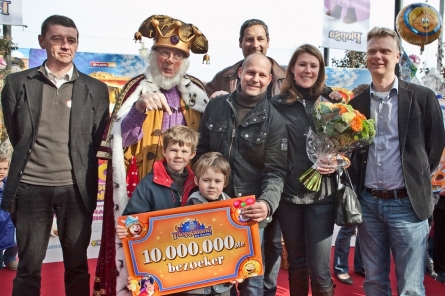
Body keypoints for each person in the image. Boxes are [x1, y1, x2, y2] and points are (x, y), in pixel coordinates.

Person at [95, 15, 209, 295]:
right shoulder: (136, 90)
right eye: (165, 52)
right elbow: (120, 143)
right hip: (145, 194)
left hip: (187, 193)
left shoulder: (197, 93)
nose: (170, 60)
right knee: (146, 265)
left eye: (178, 55)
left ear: (185, 60)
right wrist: (139, 110)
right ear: (153, 54)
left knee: (186, 262)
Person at [1, 15, 109, 296]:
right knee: (28, 268)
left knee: (77, 266)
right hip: (31, 188)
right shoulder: (17, 83)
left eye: (71, 40)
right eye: (57, 38)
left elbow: (96, 138)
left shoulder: (96, 89)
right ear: (42, 41)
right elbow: (18, 135)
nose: (65, 46)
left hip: (76, 190)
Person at [349, 27, 445, 296]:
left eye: (384, 51)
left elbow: (434, 146)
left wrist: (416, 178)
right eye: (372, 51)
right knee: (374, 282)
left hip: (407, 205)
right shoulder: (355, 105)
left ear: (397, 55)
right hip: (368, 205)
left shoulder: (422, 97)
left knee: (411, 288)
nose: (377, 56)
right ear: (365, 57)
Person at [196, 52, 288, 296]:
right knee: (210, 278)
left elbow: (276, 172)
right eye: (250, 72)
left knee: (251, 282)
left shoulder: (275, 121)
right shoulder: (216, 106)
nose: (254, 78)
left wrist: (266, 204)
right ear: (239, 73)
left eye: (261, 75)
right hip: (212, 206)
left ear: (269, 79)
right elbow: (201, 153)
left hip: (249, 211)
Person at [270, 44, 337, 296]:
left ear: (319, 71)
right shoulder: (276, 105)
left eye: (313, 65)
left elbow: (348, 147)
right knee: (297, 264)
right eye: (302, 64)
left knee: (320, 270)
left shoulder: (331, 105)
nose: (307, 70)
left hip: (322, 197)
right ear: (292, 69)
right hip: (289, 197)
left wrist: (337, 160)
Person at [332, 84, 368, 286]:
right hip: (351, 182)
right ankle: (340, 267)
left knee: (366, 227)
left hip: (370, 183)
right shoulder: (345, 122)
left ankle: (361, 265)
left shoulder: (368, 124)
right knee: (349, 226)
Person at [0, 155, 17, 270]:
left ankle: (10, 259)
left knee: (16, 240)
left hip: (10, 220)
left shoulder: (10, 185)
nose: (2, 172)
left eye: (5, 169)